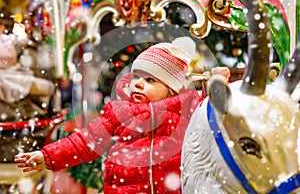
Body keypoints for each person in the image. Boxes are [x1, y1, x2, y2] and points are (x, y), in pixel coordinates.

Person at [14, 37, 229, 193]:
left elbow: (217, 114)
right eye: (137, 77)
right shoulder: (120, 113)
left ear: (171, 89)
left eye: (150, 80)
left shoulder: (187, 111)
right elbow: (85, 141)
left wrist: (218, 84)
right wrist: (47, 156)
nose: (138, 84)